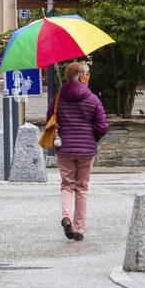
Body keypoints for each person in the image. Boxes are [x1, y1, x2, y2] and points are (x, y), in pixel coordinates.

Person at [47, 61, 109, 242]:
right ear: (81, 77)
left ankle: (66, 216)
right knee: (82, 188)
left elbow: (50, 118)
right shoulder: (92, 99)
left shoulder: (59, 96)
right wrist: (93, 137)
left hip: (64, 147)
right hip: (86, 149)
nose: (89, 78)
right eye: (87, 74)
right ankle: (79, 228)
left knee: (67, 185)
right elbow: (102, 126)